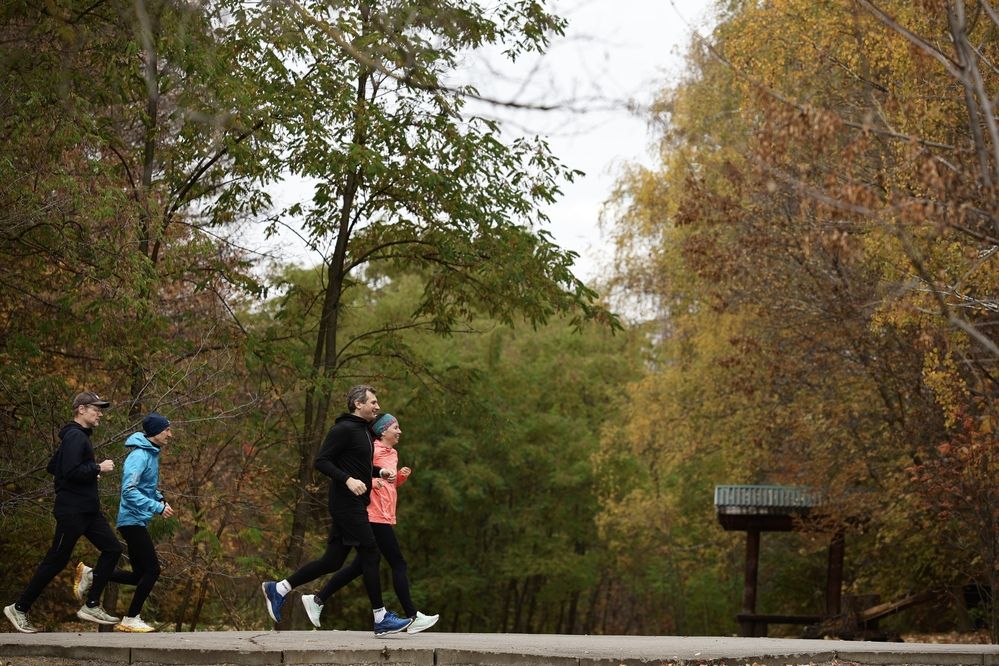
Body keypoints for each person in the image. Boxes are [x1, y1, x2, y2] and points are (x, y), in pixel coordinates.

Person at [261, 385, 413, 636]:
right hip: (346, 502)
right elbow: (322, 461)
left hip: (354, 503)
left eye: (377, 402)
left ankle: (279, 589)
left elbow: (356, 464)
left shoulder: (363, 431)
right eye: (372, 402)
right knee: (370, 552)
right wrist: (348, 480)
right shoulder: (343, 429)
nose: (377, 406)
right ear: (357, 404)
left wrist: (379, 472)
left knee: (333, 560)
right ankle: (380, 617)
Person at [299, 413, 439, 633]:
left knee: (359, 566)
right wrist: (374, 481)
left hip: (384, 513)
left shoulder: (393, 453)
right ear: (383, 431)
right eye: (396, 427)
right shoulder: (370, 449)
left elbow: (388, 484)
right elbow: (360, 474)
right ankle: (413, 616)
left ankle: (318, 599)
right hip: (371, 512)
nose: (400, 431)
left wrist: (398, 478)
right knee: (397, 562)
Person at [4, 392, 123, 633]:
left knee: (113, 549)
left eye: (101, 409)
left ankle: (91, 604)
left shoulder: (76, 437)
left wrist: (89, 472)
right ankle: (19, 607)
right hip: (73, 511)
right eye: (96, 409)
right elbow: (68, 471)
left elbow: (54, 467)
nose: (100, 413)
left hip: (88, 510)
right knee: (55, 561)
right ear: (81, 409)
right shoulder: (75, 436)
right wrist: (97, 467)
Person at [74, 412, 176, 632]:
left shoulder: (151, 454)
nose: (170, 434)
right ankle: (131, 618)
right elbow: (128, 491)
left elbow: (144, 488)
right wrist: (157, 507)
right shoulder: (139, 455)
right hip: (131, 520)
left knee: (139, 575)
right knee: (153, 570)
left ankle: (92, 574)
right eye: (167, 429)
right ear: (156, 432)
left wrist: (159, 498)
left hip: (137, 519)